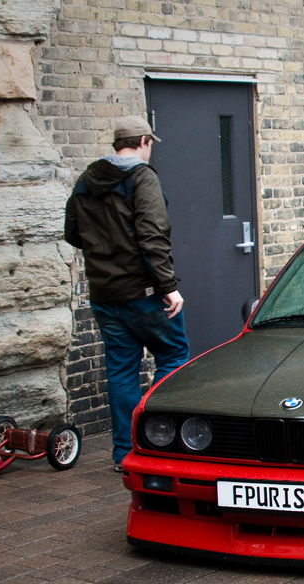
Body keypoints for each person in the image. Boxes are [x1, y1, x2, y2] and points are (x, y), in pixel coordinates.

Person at [64, 116, 190, 472]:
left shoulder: (86, 180)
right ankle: (162, 443)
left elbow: (73, 232)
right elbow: (153, 235)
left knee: (120, 371)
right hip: (144, 292)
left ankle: (124, 455)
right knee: (172, 357)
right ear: (144, 141)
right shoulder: (141, 177)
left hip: (105, 294)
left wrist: (105, 247)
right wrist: (169, 287)